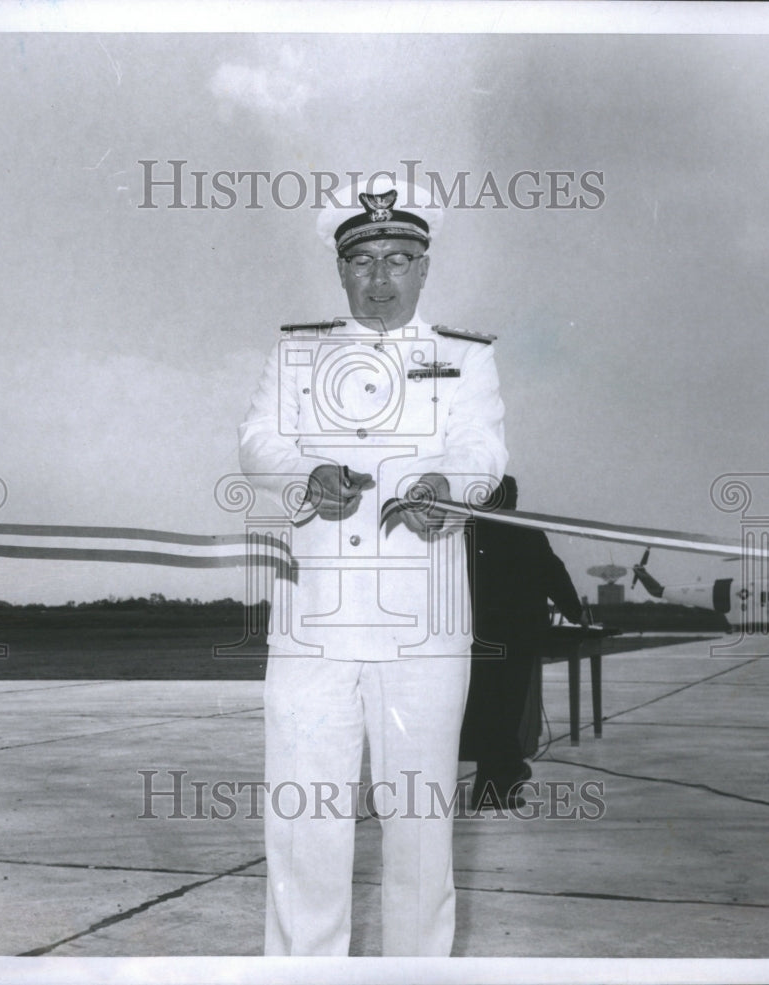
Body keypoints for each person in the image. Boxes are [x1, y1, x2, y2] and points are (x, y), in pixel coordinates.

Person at [238, 178, 508, 956]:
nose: (381, 278)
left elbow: (482, 447)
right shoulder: (296, 354)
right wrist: (305, 474)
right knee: (303, 822)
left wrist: (449, 489)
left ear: (424, 267)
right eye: (364, 261)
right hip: (313, 627)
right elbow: (258, 440)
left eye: (398, 259)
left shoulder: (464, 357)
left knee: (420, 826)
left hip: (423, 627)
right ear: (340, 269)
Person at [459, 475, 587, 810]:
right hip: (515, 637)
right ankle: (497, 784)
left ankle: (500, 777)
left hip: (474, 637)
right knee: (507, 710)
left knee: (485, 709)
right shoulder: (525, 530)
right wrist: (577, 613)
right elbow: (553, 573)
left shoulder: (466, 529)